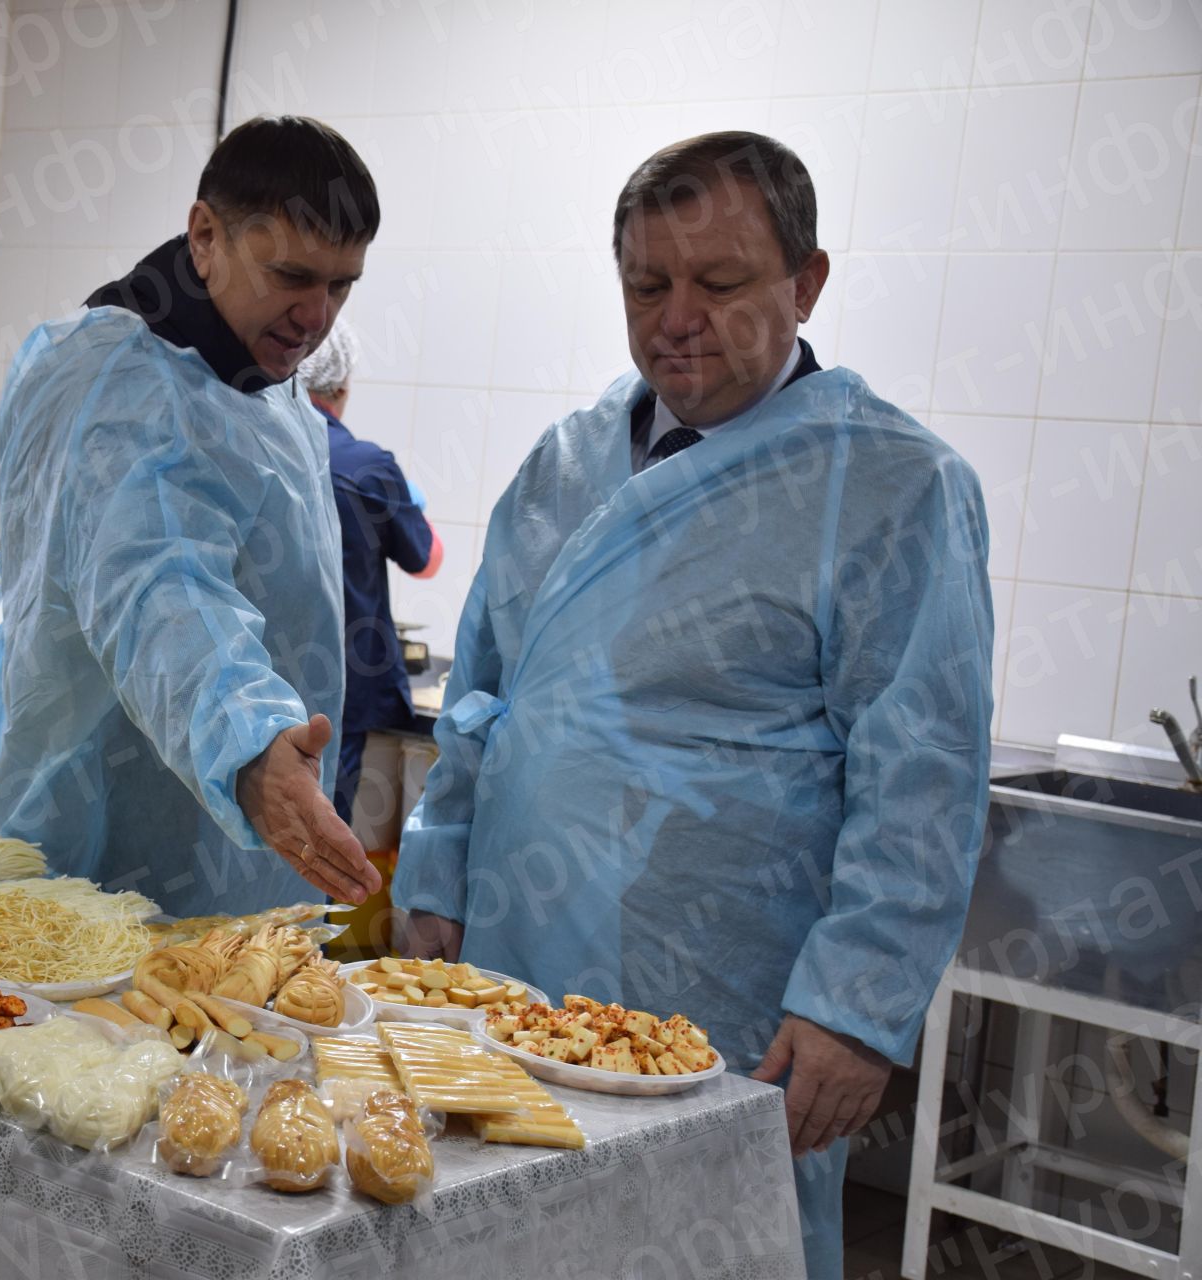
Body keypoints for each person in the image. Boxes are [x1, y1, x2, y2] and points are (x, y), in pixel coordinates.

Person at [390, 131, 993, 1278]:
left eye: (718, 284)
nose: (677, 317)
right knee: (506, 1233)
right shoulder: (566, 460)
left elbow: (921, 776)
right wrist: (437, 873)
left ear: (807, 283)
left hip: (720, 992)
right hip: (516, 958)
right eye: (646, 284)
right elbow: (482, 691)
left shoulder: (890, 485)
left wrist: (858, 1006)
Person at [0, 116, 385, 918]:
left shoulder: (265, 386)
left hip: (229, 843)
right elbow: (160, 592)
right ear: (205, 236)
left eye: (341, 284)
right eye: (292, 275)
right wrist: (246, 744)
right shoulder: (123, 385)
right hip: (104, 847)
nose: (318, 316)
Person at [297, 326, 442, 827]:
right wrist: (411, 507)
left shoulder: (261, 448)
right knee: (320, 841)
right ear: (341, 387)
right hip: (339, 688)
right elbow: (426, 561)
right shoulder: (366, 465)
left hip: (260, 675)